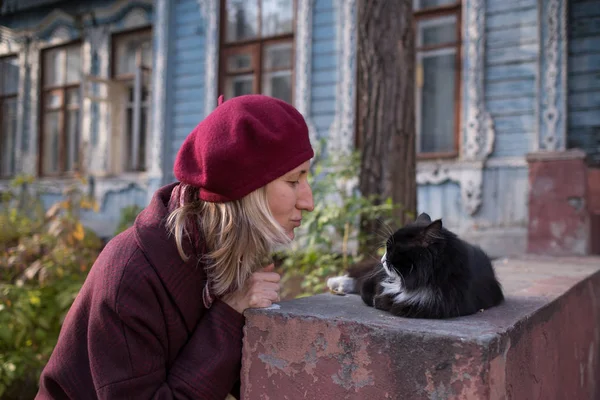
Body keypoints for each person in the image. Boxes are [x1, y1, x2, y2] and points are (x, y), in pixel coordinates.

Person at [36, 94, 315, 399]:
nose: (309, 201)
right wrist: (229, 313)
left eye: (306, 178)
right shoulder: (133, 276)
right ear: (247, 191)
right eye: (292, 181)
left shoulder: (223, 251)